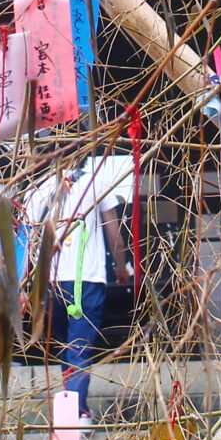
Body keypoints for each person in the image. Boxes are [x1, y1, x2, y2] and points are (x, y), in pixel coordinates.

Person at [24, 150, 135, 419]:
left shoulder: (36, 189)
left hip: (49, 282)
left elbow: (25, 242)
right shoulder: (96, 184)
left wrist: (22, 286)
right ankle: (75, 413)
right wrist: (121, 268)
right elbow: (115, 235)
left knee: (66, 347)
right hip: (87, 280)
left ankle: (71, 408)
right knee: (79, 348)